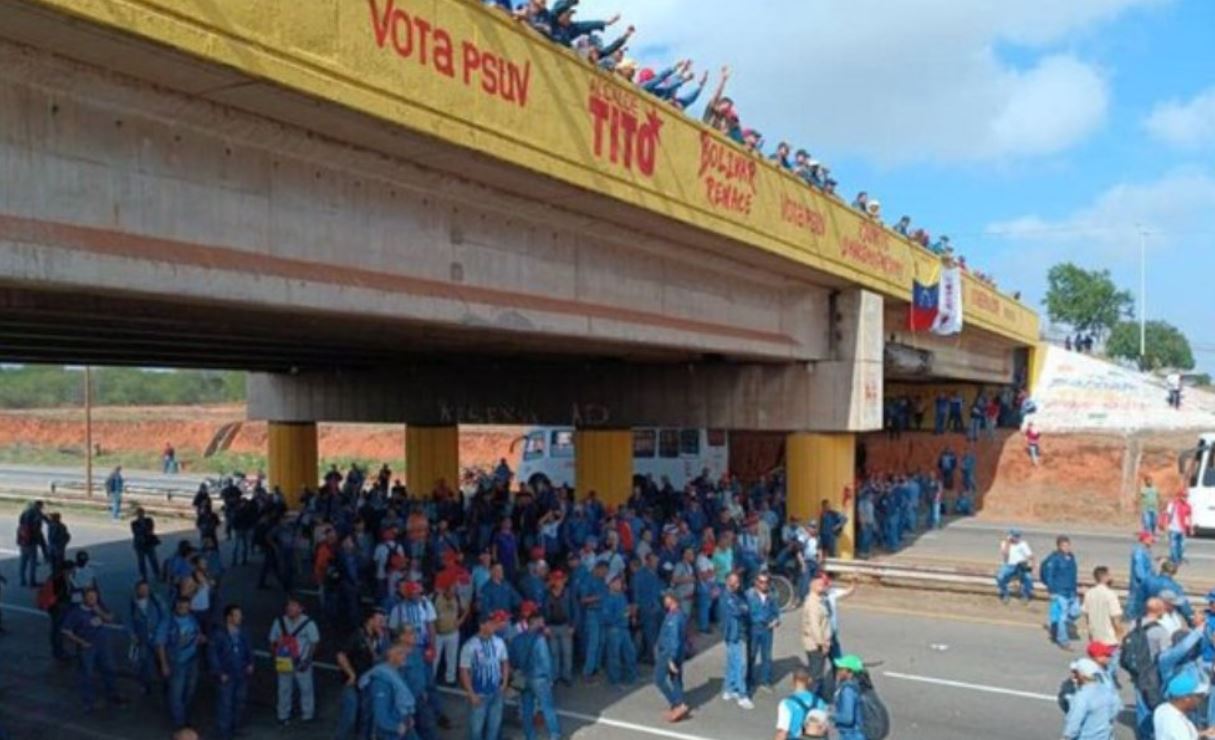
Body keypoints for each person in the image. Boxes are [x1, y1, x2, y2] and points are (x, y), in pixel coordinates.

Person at [60, 587, 125, 710]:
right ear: (84, 598)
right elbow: (66, 630)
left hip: (103, 644)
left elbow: (110, 619)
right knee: (87, 673)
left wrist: (99, 611)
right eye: (90, 598)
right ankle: (88, 701)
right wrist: (81, 642)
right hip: (87, 646)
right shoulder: (75, 613)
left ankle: (113, 693)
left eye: (95, 597)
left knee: (109, 668)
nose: (93, 600)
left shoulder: (98, 607)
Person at [335, 608, 390, 740]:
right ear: (370, 620)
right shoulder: (357, 635)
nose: (382, 623)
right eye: (379, 620)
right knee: (350, 717)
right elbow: (341, 655)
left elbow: (384, 657)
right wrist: (351, 674)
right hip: (353, 683)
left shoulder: (378, 637)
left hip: (367, 683)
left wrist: (383, 638)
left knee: (365, 717)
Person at [269, 595, 320, 726]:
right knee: (284, 689)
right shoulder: (279, 621)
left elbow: (314, 643)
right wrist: (275, 657)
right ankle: (283, 715)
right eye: (289, 605)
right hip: (284, 661)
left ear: (301, 608)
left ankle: (307, 714)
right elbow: (273, 640)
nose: (289, 608)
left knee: (306, 688)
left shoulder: (309, 623)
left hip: (301, 661)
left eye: (293, 605)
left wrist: (308, 660)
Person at [460, 610, 510, 740]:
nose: (495, 626)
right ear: (482, 625)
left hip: (496, 692)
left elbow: (505, 662)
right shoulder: (470, 646)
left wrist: (504, 683)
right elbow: (464, 671)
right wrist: (471, 694)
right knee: (476, 731)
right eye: (491, 624)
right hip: (479, 694)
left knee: (493, 729)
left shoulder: (499, 642)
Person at [157, 596, 204, 729]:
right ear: (176, 606)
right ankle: (180, 723)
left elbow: (196, 633)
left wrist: (200, 638)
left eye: (185, 606)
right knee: (176, 693)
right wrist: (164, 664)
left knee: (190, 689)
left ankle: (183, 714)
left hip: (192, 659)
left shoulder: (192, 618)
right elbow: (160, 644)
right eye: (180, 606)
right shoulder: (167, 622)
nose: (182, 609)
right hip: (176, 662)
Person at [208, 604, 254, 740]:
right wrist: (219, 672)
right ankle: (224, 733)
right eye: (237, 615)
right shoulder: (218, 634)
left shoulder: (243, 632)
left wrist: (251, 663)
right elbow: (213, 655)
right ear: (229, 617)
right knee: (225, 704)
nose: (240, 618)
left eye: (240, 615)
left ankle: (235, 727)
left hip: (241, 673)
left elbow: (249, 648)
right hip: (226, 674)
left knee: (240, 701)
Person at [514, 612, 561, 740]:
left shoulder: (517, 639)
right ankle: (554, 735)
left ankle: (530, 735)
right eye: (540, 621)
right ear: (533, 622)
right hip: (539, 678)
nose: (542, 624)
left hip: (524, 678)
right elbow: (546, 660)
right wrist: (550, 678)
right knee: (547, 707)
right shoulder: (540, 640)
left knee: (527, 709)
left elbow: (513, 659)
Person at [362, 642, 416, 740]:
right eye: (400, 653)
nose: (405, 656)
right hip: (391, 732)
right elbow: (381, 715)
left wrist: (408, 717)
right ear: (390, 657)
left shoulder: (396, 673)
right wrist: (395, 727)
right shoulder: (381, 682)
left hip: (403, 723)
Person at [1061, 657, 1120, 740]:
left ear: (1082, 675)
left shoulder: (1082, 696)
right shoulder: (1106, 689)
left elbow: (1075, 721)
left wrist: (1067, 736)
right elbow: (1116, 708)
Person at [654, 591, 690, 723]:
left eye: (666, 598)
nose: (664, 600)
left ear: (672, 599)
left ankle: (677, 705)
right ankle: (678, 703)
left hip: (669, 652)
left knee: (659, 679)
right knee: (676, 680)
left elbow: (674, 639)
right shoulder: (677, 614)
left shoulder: (674, 617)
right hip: (677, 652)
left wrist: (671, 659)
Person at [1041, 536, 1080, 649]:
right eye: (1064, 545)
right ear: (1059, 546)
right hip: (1059, 591)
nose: (1067, 547)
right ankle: (1063, 641)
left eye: (1068, 545)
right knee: (1062, 616)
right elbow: (1049, 576)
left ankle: (1057, 627)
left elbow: (1073, 575)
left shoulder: (1071, 557)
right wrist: (1052, 591)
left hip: (1071, 591)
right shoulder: (1054, 559)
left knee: (1076, 612)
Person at [720, 571, 753, 708]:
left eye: (738, 581)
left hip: (737, 632)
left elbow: (745, 608)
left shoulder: (738, 595)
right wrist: (742, 608)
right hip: (733, 634)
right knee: (741, 664)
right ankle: (742, 694)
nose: (737, 584)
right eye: (734, 581)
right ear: (727, 581)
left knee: (733, 662)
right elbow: (738, 611)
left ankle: (729, 688)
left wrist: (743, 608)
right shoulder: (726, 597)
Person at [129, 579, 167, 695]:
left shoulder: (156, 600)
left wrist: (161, 634)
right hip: (143, 639)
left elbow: (165, 616)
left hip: (157, 638)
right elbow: (129, 620)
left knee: (162, 661)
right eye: (142, 589)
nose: (144, 591)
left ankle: (165, 684)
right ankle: (145, 685)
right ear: (137, 590)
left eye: (146, 589)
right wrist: (132, 634)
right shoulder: (133, 603)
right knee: (144, 663)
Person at [801, 575, 834, 702]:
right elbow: (815, 626)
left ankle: (816, 698)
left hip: (819, 643)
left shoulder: (819, 600)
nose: (823, 586)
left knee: (817, 673)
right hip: (816, 645)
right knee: (816, 675)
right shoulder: (813, 603)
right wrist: (823, 644)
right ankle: (811, 700)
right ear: (813, 586)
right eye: (820, 584)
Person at [747, 571, 780, 695]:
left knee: (766, 656)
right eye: (761, 582)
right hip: (754, 629)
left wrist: (776, 621)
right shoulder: (749, 595)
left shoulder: (772, 596)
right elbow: (745, 613)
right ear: (756, 582)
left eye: (766, 582)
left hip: (767, 629)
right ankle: (749, 680)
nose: (764, 584)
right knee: (751, 655)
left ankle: (765, 681)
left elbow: (776, 613)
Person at [1153, 671, 1215, 739]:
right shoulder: (1176, 723)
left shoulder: (1162, 709)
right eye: (1199, 696)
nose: (1201, 700)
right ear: (1186, 698)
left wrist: (1204, 733)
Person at [601, 574, 637, 688]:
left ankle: (632, 677)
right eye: (616, 582)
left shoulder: (622, 596)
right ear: (610, 584)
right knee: (614, 656)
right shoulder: (607, 599)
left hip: (625, 629)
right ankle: (615, 681)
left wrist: (631, 615)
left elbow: (627, 609)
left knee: (630, 653)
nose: (619, 584)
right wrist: (622, 616)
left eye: (620, 582)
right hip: (614, 630)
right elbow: (606, 618)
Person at [775, 669, 828, 740]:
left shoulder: (786, 703)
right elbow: (825, 728)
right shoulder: (820, 702)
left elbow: (782, 733)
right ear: (809, 680)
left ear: (793, 681)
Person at [1082, 567, 1124, 652]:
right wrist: (1121, 637)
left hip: (1095, 638)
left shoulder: (1089, 593)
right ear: (1105, 577)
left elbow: (1087, 616)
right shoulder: (1111, 595)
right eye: (1110, 575)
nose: (1112, 578)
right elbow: (1116, 619)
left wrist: (1090, 633)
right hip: (1110, 640)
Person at [832, 654, 866, 740]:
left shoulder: (848, 690)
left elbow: (847, 718)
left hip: (851, 735)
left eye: (841, 669)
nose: (838, 671)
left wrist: (829, 715)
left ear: (850, 672)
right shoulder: (858, 685)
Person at [996, 529, 1034, 604]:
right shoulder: (1004, 543)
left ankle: (1025, 595)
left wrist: (1032, 566)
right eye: (1015, 536)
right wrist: (1008, 542)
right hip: (1009, 565)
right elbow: (1005, 555)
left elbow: (1031, 556)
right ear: (1010, 536)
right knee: (1000, 577)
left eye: (1018, 536)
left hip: (1021, 565)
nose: (1017, 538)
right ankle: (1005, 594)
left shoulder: (1023, 544)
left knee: (1028, 578)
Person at [17, 500, 46, 587]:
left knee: (23, 561)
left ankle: (22, 580)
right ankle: (31, 582)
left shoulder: (24, 513)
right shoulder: (37, 514)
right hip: (31, 541)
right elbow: (38, 529)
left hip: (22, 540)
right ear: (39, 506)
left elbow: (20, 524)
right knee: (33, 562)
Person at [1129, 531, 1156, 621]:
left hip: (1144, 584)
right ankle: (1131, 619)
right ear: (1144, 540)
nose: (1152, 542)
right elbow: (1139, 572)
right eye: (1151, 539)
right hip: (1139, 586)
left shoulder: (1146, 551)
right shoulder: (1139, 553)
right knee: (1135, 605)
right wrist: (1147, 583)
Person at [1162, 490, 1193, 566]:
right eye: (1183, 496)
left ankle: (1178, 558)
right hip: (1173, 529)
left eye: (1186, 496)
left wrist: (1191, 528)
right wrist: (1165, 526)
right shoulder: (1172, 504)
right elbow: (1167, 515)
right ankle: (1176, 561)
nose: (1185, 498)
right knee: (1173, 545)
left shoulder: (1188, 506)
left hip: (1182, 530)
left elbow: (1189, 517)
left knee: (1182, 546)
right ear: (1179, 496)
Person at [131, 507, 161, 581]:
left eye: (141, 513)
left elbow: (150, 529)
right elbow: (136, 532)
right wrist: (143, 529)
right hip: (140, 544)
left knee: (153, 559)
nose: (140, 515)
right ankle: (144, 576)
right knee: (142, 561)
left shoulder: (148, 520)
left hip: (148, 543)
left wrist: (143, 528)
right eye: (139, 514)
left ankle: (157, 573)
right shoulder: (134, 523)